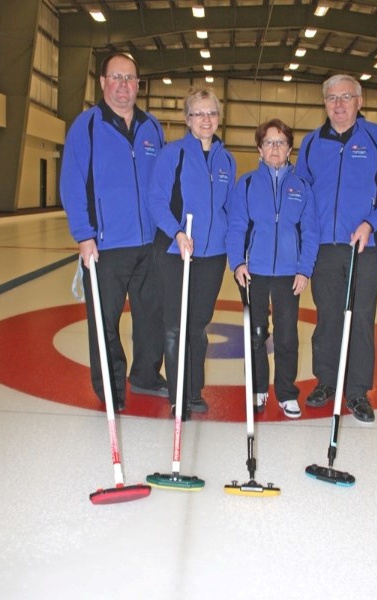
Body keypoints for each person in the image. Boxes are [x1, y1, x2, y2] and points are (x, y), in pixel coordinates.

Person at [296, 74, 377, 422]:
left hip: (363, 246)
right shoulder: (312, 143)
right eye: (332, 98)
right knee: (327, 318)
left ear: (359, 102)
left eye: (347, 97)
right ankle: (327, 381)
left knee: (360, 319)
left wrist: (370, 223)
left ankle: (358, 391)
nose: (339, 104)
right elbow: (300, 191)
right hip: (324, 248)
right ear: (324, 103)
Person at [60, 52, 167, 412]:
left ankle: (147, 376)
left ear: (139, 84)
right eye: (116, 78)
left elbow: (163, 186)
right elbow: (72, 183)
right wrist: (84, 235)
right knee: (104, 322)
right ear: (103, 83)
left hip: (150, 244)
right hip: (105, 245)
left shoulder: (152, 127)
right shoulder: (86, 126)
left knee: (152, 317)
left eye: (130, 78)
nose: (124, 85)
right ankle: (111, 385)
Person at [148, 87, 236, 420]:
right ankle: (176, 394)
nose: (205, 119)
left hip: (212, 256)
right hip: (176, 252)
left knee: (198, 326)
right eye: (198, 113)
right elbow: (156, 199)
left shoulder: (227, 159)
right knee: (175, 326)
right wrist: (177, 232)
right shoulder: (173, 154)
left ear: (218, 117)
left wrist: (235, 252)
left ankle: (193, 390)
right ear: (187, 119)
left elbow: (229, 208)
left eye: (211, 113)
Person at [226, 119, 319, 419]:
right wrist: (237, 262)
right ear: (259, 148)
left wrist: (304, 269)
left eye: (281, 142)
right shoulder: (247, 184)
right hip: (255, 272)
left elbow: (311, 231)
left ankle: (287, 392)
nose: (275, 148)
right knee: (255, 334)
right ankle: (257, 388)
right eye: (269, 142)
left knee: (287, 336)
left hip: (289, 275)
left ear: (290, 148)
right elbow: (237, 226)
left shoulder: (302, 187)